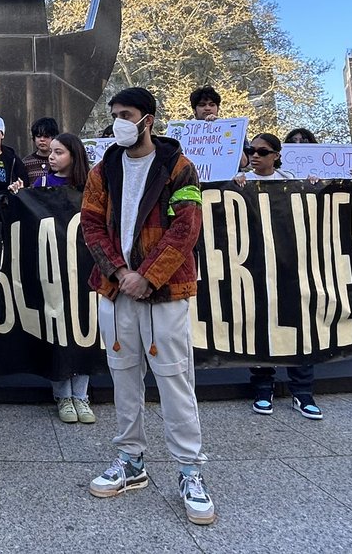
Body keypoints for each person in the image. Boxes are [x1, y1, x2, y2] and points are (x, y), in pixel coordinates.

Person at [79, 87, 215, 525]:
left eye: (126, 114)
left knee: (175, 379)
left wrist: (148, 277)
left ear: (148, 119)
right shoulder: (104, 170)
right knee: (123, 379)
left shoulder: (180, 167)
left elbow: (186, 230)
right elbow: (91, 224)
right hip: (116, 291)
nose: (118, 121)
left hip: (165, 293)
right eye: (114, 114)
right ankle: (130, 461)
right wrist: (121, 274)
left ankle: (190, 470)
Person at [232, 133, 321, 419]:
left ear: (276, 155)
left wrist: (314, 188)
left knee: (298, 326)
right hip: (255, 265)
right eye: (250, 150)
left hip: (290, 265)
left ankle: (303, 392)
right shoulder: (239, 179)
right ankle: (262, 387)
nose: (255, 155)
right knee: (260, 326)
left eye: (263, 151)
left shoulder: (292, 180)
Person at [13, 133, 95, 423]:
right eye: (52, 152)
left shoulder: (91, 187)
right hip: (53, 271)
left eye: (59, 152)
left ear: (74, 155)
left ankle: (82, 395)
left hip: (84, 269)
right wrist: (19, 195)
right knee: (58, 331)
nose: (52, 156)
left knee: (84, 329)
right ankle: (63, 395)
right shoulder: (41, 184)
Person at [22, 117, 59, 185]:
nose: (42, 140)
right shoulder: (25, 163)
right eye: (38, 136)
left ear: (54, 138)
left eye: (46, 136)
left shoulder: (60, 161)